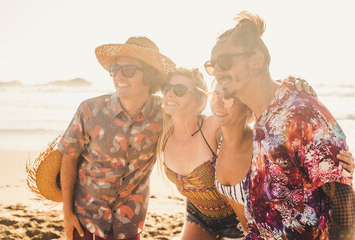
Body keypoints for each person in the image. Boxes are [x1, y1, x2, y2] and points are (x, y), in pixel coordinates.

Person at [206, 11, 355, 239]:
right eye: (212, 64)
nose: (217, 71)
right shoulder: (264, 117)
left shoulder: (301, 116)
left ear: (256, 60)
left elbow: (343, 200)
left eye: (224, 62)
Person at [58, 36, 175, 240]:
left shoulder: (165, 115)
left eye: (128, 70)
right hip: (85, 221)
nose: (118, 76)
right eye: (114, 69)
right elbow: (69, 157)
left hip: (130, 226)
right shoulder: (90, 110)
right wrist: (67, 214)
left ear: (150, 75)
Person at [157, 67, 245, 240]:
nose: (170, 94)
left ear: (199, 98)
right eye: (166, 89)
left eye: (180, 90)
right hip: (197, 216)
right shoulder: (163, 131)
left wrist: (289, 86)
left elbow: (249, 107)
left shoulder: (212, 127)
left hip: (236, 221)